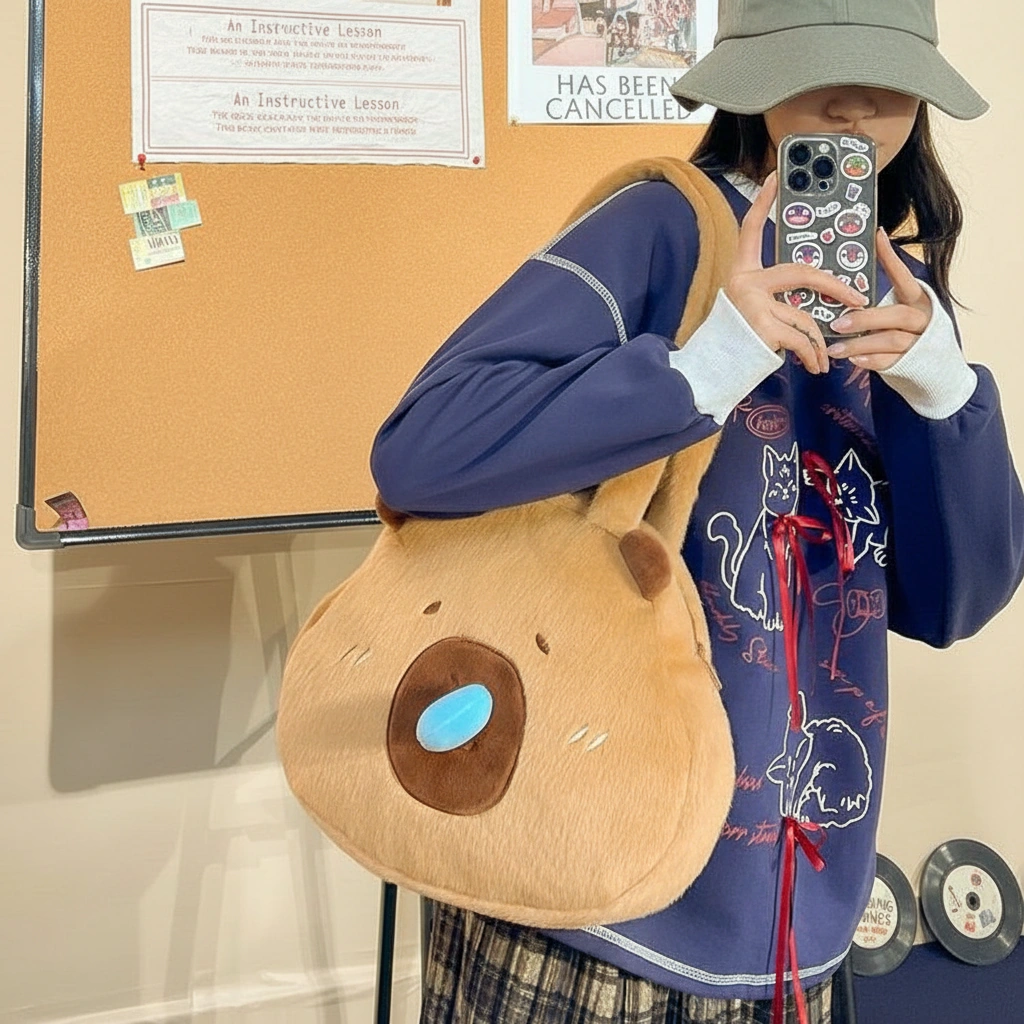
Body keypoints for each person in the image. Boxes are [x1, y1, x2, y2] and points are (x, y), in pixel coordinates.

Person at [371, 2, 1024, 1021]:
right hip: (583, 892)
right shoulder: (662, 228)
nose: (854, 103)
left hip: (791, 905)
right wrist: (697, 371)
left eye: (890, 76)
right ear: (751, 78)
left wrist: (947, 398)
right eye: (818, 67)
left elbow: (953, 604)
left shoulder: (896, 290)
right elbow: (420, 450)